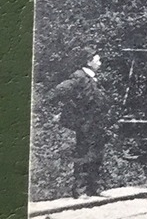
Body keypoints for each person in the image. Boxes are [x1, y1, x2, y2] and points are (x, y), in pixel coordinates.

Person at [43, 48, 112, 197]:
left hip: (97, 123)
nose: (100, 63)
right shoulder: (79, 76)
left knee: (96, 155)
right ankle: (80, 191)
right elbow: (59, 90)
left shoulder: (93, 77)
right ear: (88, 62)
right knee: (83, 155)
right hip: (85, 124)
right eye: (97, 60)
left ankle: (94, 188)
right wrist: (51, 106)